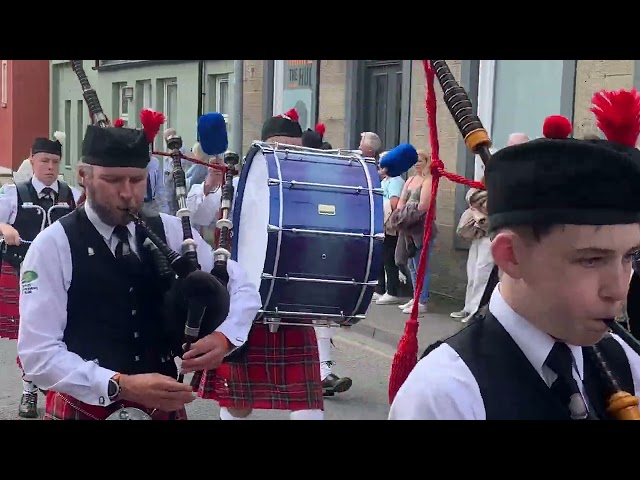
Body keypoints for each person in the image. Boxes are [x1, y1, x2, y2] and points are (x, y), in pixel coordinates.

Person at [389, 99, 640, 420]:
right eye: (591, 259)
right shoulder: (448, 394)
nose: (618, 289)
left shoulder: (625, 361)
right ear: (511, 256)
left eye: (630, 256)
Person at [17, 114, 261, 420]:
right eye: (112, 180)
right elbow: (36, 354)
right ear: (83, 175)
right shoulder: (53, 244)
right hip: (83, 406)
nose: (127, 192)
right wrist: (121, 385)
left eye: (136, 179)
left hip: (161, 407)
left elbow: (241, 284)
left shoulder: (171, 231)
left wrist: (224, 337)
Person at [191, 108, 326, 420]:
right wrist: (212, 183)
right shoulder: (239, 186)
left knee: (305, 398)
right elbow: (200, 218)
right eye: (279, 147)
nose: (286, 154)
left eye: (294, 148)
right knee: (238, 401)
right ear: (264, 148)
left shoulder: (309, 189)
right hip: (242, 296)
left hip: (290, 298)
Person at [0, 132, 81, 418]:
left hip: (61, 272)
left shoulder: (70, 194)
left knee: (60, 330)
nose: (50, 167)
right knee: (30, 331)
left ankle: (56, 386)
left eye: (55, 162)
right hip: (23, 270)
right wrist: (4, 227)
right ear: (32, 161)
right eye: (44, 160)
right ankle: (28, 391)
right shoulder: (14, 192)